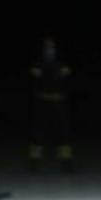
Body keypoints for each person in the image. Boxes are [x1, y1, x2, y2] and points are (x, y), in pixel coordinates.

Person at [29, 36, 73, 171]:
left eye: (52, 47)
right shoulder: (38, 63)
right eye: (47, 47)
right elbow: (36, 76)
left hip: (58, 101)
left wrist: (50, 74)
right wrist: (52, 74)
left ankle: (66, 162)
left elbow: (64, 76)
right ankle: (34, 162)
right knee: (38, 133)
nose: (49, 50)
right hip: (42, 101)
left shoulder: (61, 63)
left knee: (63, 133)